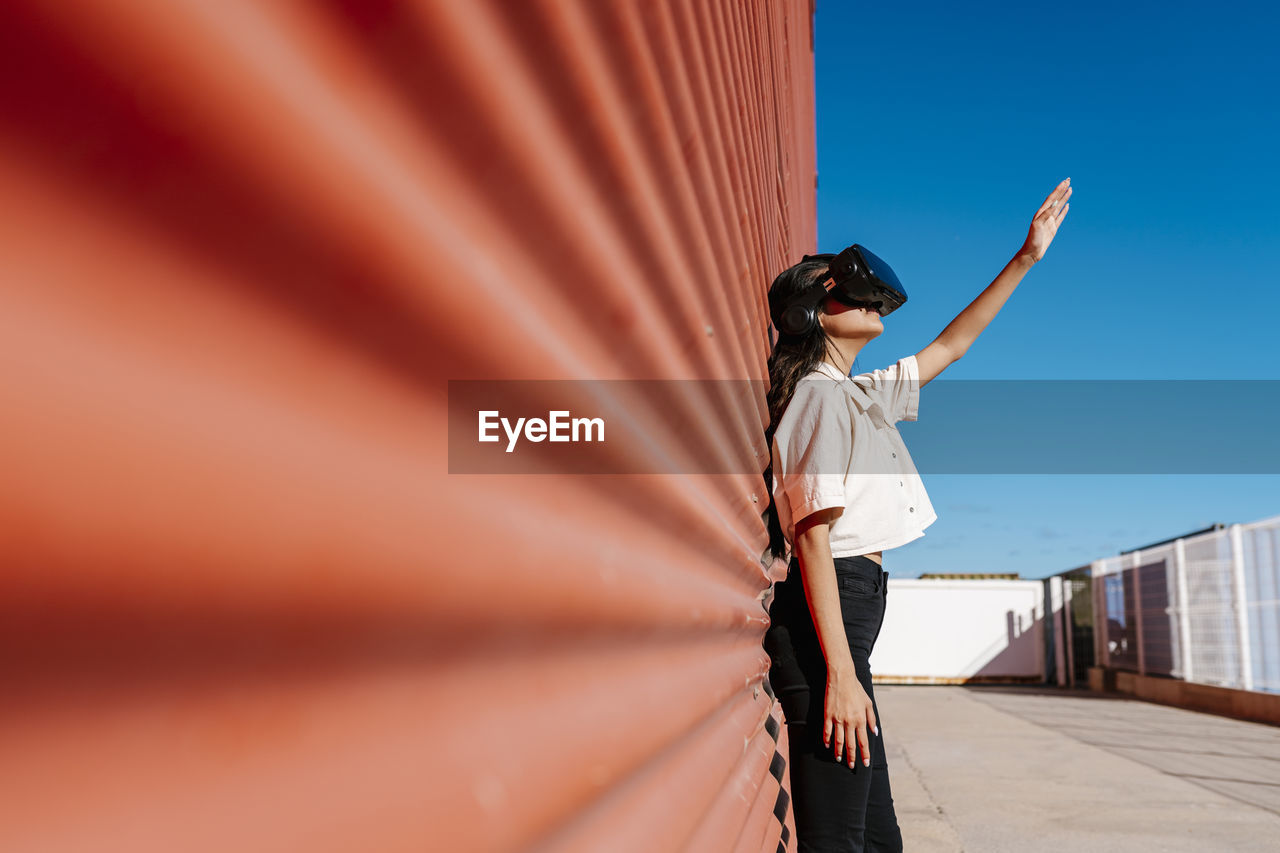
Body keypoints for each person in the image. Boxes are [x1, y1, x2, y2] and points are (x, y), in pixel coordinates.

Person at [761, 179, 1072, 851]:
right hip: (827, 627)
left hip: (845, 625)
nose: (869, 300)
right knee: (839, 839)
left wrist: (1026, 257)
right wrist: (840, 674)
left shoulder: (857, 394)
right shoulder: (817, 397)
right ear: (816, 312)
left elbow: (951, 346)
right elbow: (814, 538)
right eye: (845, 289)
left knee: (879, 840)